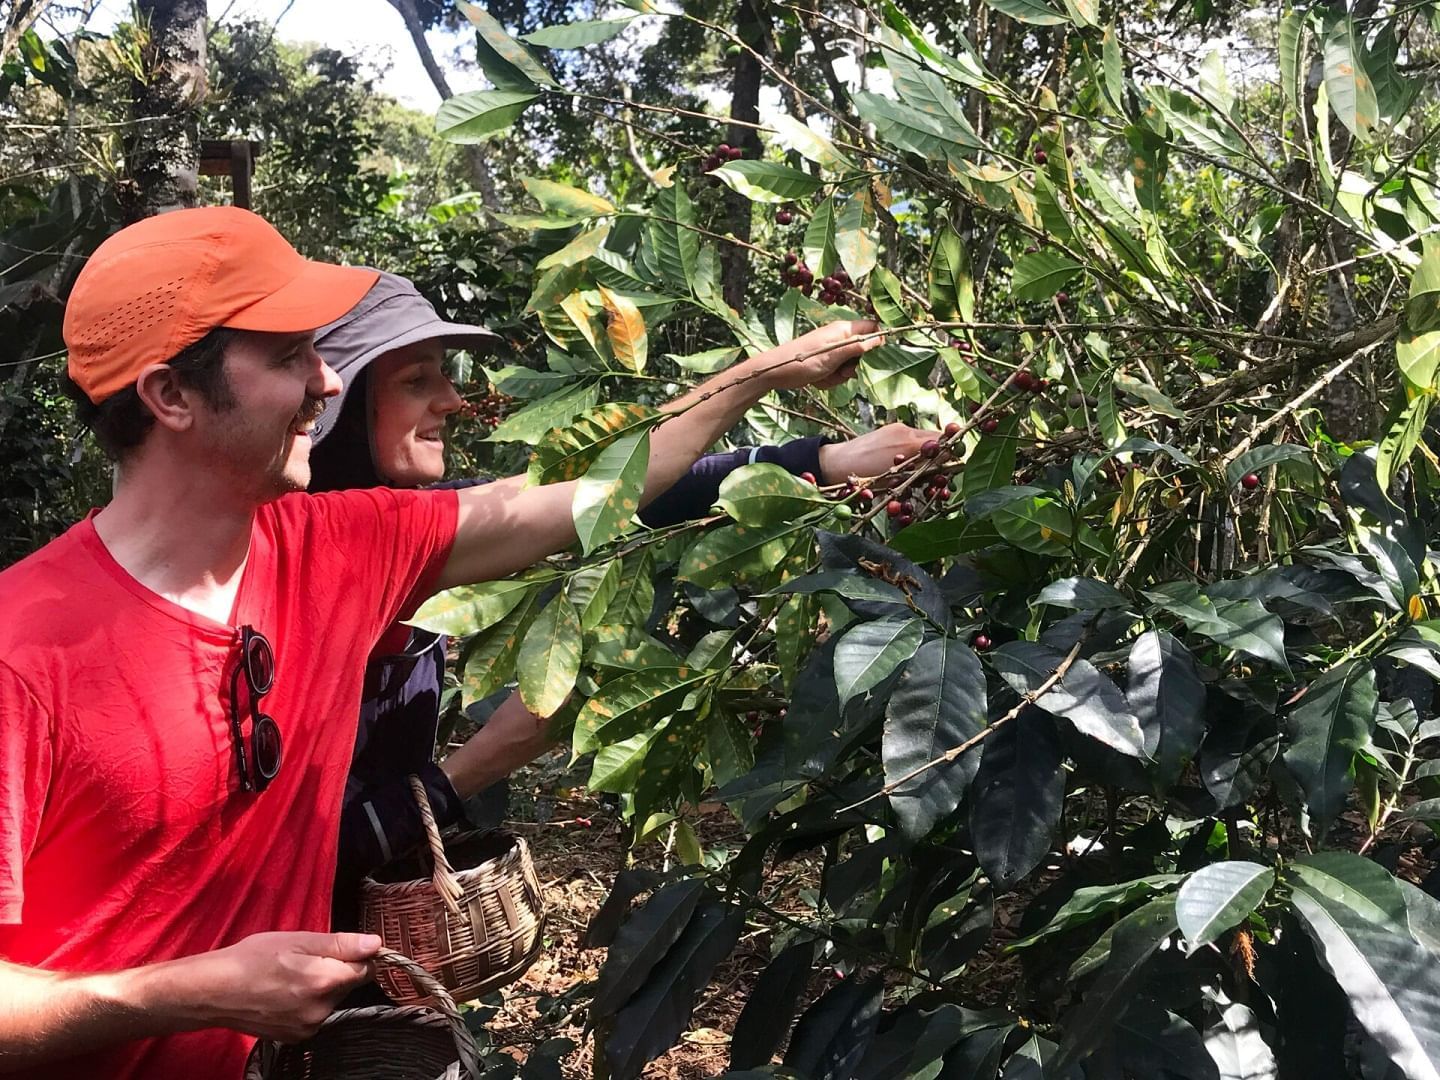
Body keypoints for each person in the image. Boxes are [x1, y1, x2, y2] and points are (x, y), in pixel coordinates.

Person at [0, 206, 880, 1078]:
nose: (328, 381)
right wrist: (187, 993)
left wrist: (762, 379)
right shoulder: (24, 654)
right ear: (170, 396)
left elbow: (597, 492)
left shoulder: (342, 545)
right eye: (287, 356)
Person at [299, 272, 938, 924]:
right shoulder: (312, 558)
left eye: (444, 375)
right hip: (279, 950)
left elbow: (616, 494)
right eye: (416, 381)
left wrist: (826, 461)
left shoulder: (402, 527)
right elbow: (293, 855)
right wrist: (481, 764)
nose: (453, 399)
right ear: (339, 404)